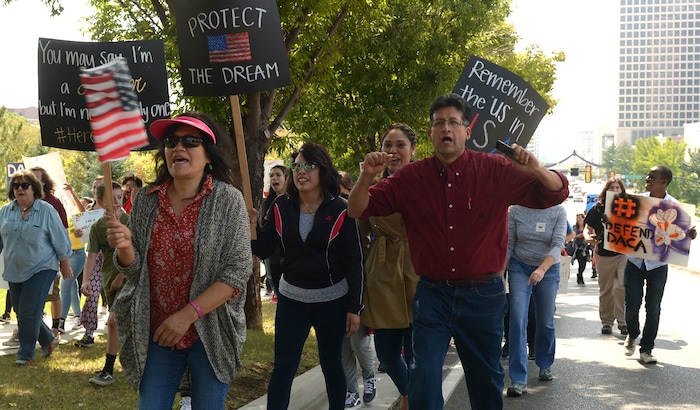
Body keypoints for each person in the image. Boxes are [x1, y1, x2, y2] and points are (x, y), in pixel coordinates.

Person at [347, 94, 569, 409]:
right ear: (430, 134)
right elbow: (358, 209)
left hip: (484, 296)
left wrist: (535, 168)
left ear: (467, 130)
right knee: (423, 379)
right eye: (439, 123)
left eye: (453, 122)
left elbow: (555, 192)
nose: (446, 128)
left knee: (485, 381)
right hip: (432, 294)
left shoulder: (494, 169)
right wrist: (366, 176)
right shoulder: (409, 178)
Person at [106, 112, 253, 408]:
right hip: (160, 333)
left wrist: (187, 316)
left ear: (209, 155)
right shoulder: (146, 199)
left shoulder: (229, 200)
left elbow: (237, 271)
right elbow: (135, 271)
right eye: (171, 141)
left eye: (191, 141)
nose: (178, 147)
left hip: (210, 332)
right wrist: (124, 247)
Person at [251, 142, 365, 410]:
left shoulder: (341, 209)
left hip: (332, 301)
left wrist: (354, 308)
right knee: (283, 368)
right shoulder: (280, 206)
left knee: (331, 364)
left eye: (309, 166)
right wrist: (252, 227)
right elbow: (263, 249)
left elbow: (354, 261)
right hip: (291, 300)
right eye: (297, 166)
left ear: (322, 170)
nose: (301, 172)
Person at [358, 123, 419, 410]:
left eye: (400, 145)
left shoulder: (427, 183)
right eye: (387, 145)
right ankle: (409, 391)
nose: (393, 151)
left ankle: (417, 399)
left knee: (419, 352)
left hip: (419, 269)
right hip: (381, 273)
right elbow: (358, 225)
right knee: (386, 353)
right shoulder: (372, 187)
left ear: (413, 149)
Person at [623, 166, 696, 364]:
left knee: (653, 308)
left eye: (652, 177)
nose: (647, 178)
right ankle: (632, 333)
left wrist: (689, 235)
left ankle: (647, 349)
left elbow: (682, 234)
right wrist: (610, 222)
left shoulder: (676, 208)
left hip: (657, 266)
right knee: (632, 305)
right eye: (648, 175)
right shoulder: (637, 201)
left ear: (664, 182)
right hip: (634, 263)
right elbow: (622, 224)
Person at [0, 169, 73, 365]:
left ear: (35, 189)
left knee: (29, 311)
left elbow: (61, 238)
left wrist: (65, 263)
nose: (20, 189)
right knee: (20, 310)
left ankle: (26, 354)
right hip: (15, 269)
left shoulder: (47, 210)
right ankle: (48, 338)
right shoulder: (5, 212)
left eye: (25, 185)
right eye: (16, 186)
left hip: (42, 267)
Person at [505, 204, 567, 397]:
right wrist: (501, 274)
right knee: (517, 320)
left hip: (548, 269)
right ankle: (518, 379)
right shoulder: (515, 211)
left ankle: (545, 363)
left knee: (545, 321)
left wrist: (541, 269)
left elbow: (558, 244)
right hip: (519, 267)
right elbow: (509, 244)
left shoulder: (558, 211)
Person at [80, 181, 129, 387]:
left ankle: (108, 370)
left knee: (113, 323)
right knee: (123, 326)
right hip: (110, 282)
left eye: (120, 197)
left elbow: (141, 254)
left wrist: (122, 276)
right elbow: (91, 256)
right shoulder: (98, 228)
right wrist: (86, 281)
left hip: (130, 281)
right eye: (112, 198)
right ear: (100, 202)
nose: (117, 202)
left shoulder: (130, 221)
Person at [338, 170, 377, 409]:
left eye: (345, 194)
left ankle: (369, 375)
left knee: (358, 341)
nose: (342, 201)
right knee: (342, 346)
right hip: (333, 289)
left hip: (357, 284)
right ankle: (351, 390)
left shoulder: (356, 214)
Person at [584, 177, 629, 336]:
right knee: (606, 290)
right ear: (606, 191)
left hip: (623, 253)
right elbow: (587, 228)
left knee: (621, 286)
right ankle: (607, 322)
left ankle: (623, 322)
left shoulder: (629, 207)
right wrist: (588, 237)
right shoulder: (597, 209)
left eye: (618, 188)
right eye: (612, 188)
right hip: (603, 254)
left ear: (622, 191)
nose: (615, 190)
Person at [30, 167, 68, 341]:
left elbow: (63, 231)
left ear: (44, 181)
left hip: (49, 259)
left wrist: (63, 259)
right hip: (29, 260)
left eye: (36, 179)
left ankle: (54, 328)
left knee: (53, 294)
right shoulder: (26, 202)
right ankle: (34, 328)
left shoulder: (54, 202)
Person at [260, 164, 289, 295]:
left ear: (286, 178)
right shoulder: (269, 203)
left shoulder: (293, 201)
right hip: (272, 256)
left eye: (278, 175)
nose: (274, 178)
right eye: (271, 175)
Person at [572, 213, 589, 285]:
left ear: (583, 219)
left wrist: (584, 235)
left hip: (585, 248)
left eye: (580, 218)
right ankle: (580, 277)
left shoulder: (586, 227)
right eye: (577, 218)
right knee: (581, 263)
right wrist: (577, 236)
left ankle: (580, 274)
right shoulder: (575, 227)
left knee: (584, 264)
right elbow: (572, 235)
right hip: (578, 248)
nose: (579, 219)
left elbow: (589, 234)